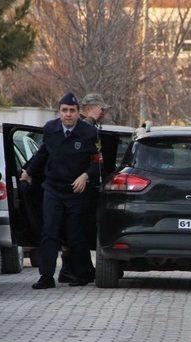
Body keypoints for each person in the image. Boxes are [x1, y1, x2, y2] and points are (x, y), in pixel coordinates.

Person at [21, 92, 100, 289]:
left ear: (78, 113)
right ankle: (46, 276)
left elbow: (98, 163)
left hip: (76, 191)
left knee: (75, 234)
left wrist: (86, 175)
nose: (68, 115)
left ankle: (80, 275)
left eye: (72, 111)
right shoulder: (50, 129)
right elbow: (43, 153)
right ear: (59, 112)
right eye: (64, 110)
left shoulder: (89, 133)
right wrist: (28, 172)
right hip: (53, 189)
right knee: (50, 232)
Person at [57, 92, 110, 284]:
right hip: (78, 187)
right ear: (89, 108)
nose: (103, 111)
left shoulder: (89, 126)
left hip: (79, 185)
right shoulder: (85, 127)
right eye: (100, 108)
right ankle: (78, 271)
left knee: (76, 231)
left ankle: (73, 269)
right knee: (77, 231)